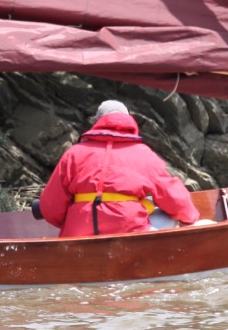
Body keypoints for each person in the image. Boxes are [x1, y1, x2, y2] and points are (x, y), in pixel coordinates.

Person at [38, 100, 201, 237]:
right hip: (130, 233)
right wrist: (190, 218)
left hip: (79, 235)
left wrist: (72, 223)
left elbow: (50, 207)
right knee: (170, 216)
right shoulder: (144, 154)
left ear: (96, 122)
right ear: (129, 121)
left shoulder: (74, 153)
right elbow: (173, 198)